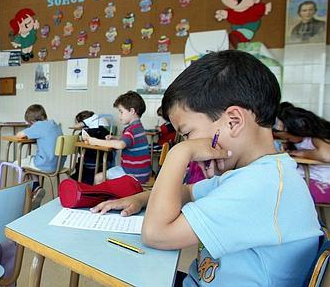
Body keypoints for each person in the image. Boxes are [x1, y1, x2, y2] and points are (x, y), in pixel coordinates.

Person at [92, 50, 321, 286]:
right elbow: (190, 191)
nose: (187, 142)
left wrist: (178, 154)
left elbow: (155, 234)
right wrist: (141, 198)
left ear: (234, 121)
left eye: (188, 133)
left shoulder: (261, 184)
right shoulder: (258, 173)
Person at [87, 91, 152, 184]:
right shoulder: (138, 127)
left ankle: (104, 199)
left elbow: (121, 145)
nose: (119, 115)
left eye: (121, 112)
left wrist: (95, 141)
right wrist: (115, 139)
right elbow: (127, 142)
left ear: (132, 111)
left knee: (98, 178)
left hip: (133, 174)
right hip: (142, 173)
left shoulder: (131, 129)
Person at [275, 103, 330, 203]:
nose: (288, 139)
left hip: (323, 181)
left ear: (298, 128)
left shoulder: (315, 138)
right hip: (308, 177)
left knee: (283, 192)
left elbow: (326, 155)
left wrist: (302, 153)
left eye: (288, 137)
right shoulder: (298, 141)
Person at [15, 104, 63, 172]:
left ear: (32, 122)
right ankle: (35, 182)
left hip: (44, 165)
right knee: (31, 159)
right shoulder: (55, 125)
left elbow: (19, 135)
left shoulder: (39, 125)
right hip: (58, 165)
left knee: (17, 163)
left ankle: (33, 182)